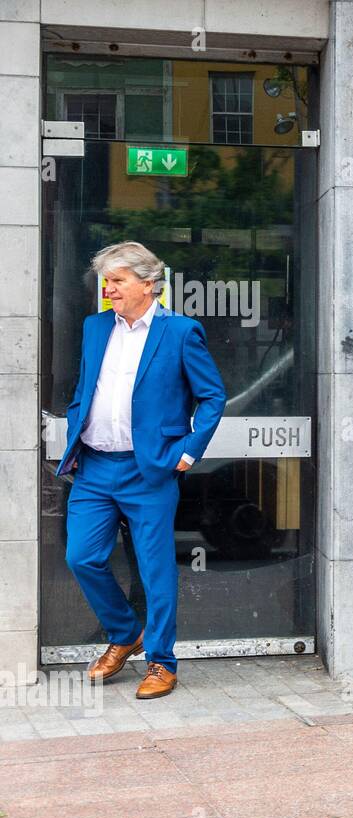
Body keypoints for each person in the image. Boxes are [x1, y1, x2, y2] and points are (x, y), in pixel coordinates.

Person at [57, 241, 227, 700]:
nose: (108, 289)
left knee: (155, 570)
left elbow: (212, 396)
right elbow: (84, 388)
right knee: (82, 556)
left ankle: (161, 662)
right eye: (106, 281)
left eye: (117, 281)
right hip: (93, 467)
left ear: (149, 285)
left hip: (149, 470)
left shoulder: (180, 332)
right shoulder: (95, 328)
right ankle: (124, 632)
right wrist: (76, 423)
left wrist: (188, 452)